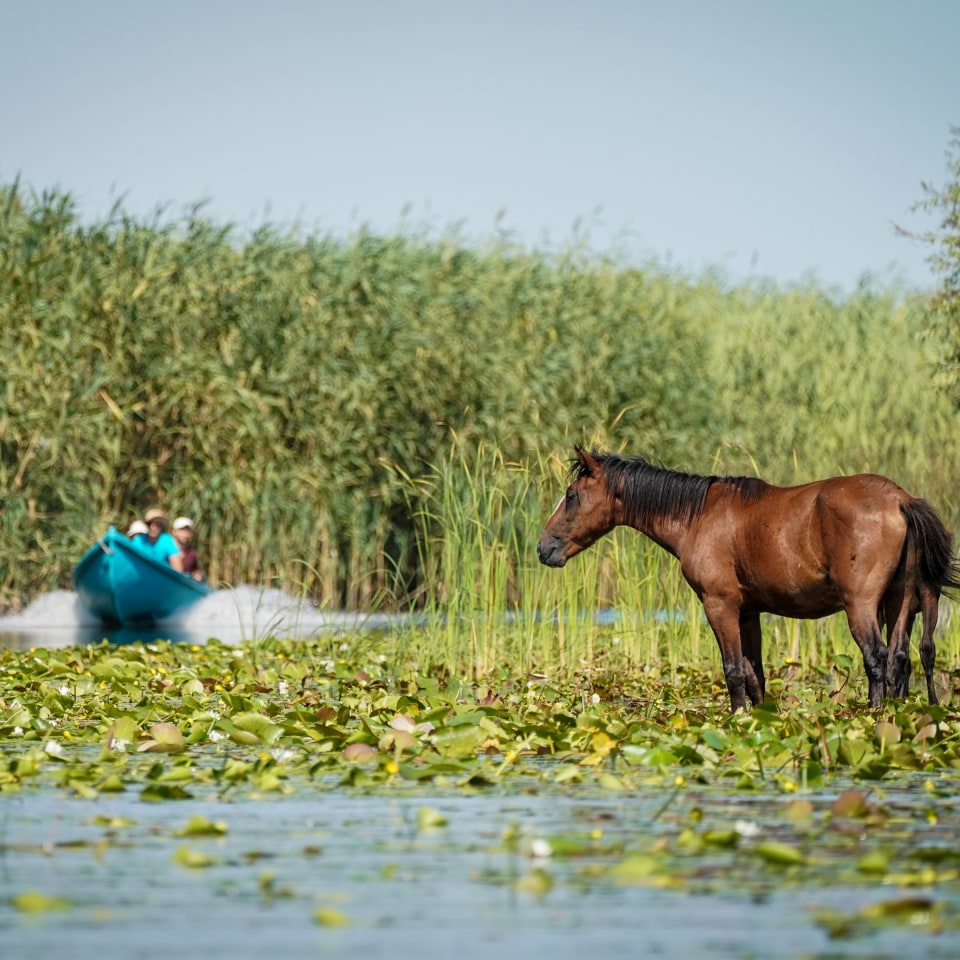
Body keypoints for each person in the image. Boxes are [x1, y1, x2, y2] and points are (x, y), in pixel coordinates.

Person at [172, 516, 204, 582]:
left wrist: (198, 576)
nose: (185, 534)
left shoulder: (192, 554)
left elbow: (197, 571)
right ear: (174, 531)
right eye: (182, 530)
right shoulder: (165, 549)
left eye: (188, 531)